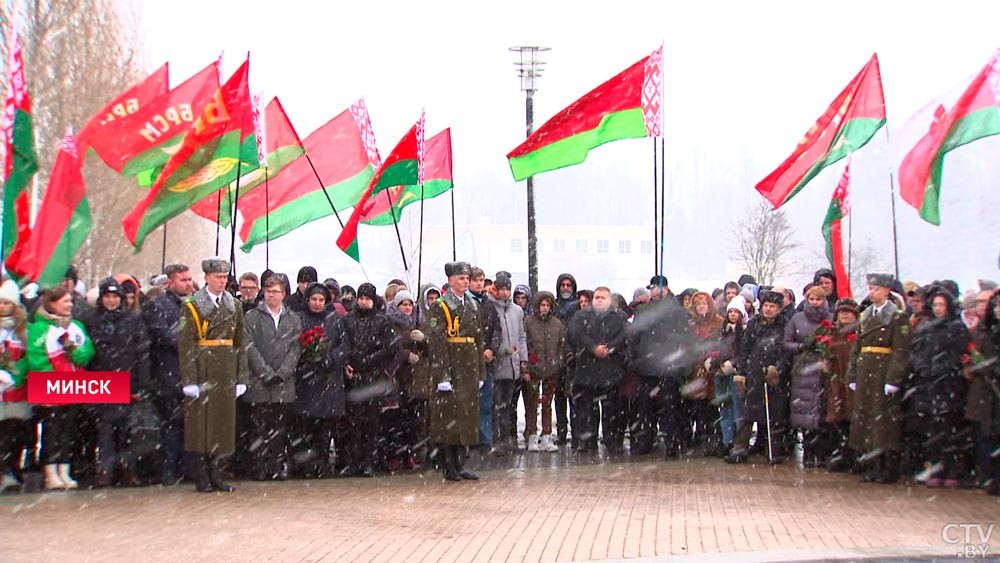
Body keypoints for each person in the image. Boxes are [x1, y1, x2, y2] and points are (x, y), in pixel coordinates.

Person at [178, 257, 250, 493]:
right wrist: (189, 380)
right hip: (203, 367)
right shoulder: (192, 306)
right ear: (206, 278)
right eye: (218, 277)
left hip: (226, 370)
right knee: (201, 426)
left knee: (222, 426)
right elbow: (187, 344)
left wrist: (242, 377)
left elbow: (241, 343)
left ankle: (217, 474)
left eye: (224, 277)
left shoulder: (234, 305)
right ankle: (201, 476)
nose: (222, 281)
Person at [85, 277, 152, 487]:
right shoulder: (93, 320)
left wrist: (142, 383)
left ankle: (127, 470)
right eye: (108, 296)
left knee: (127, 431)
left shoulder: (132, 320)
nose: (112, 301)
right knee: (105, 430)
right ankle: (104, 470)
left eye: (115, 297)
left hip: (127, 380)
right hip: (102, 382)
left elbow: (142, 353)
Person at [27, 288, 96, 489]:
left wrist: (72, 349)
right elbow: (37, 359)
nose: (69, 305)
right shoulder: (40, 329)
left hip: (74, 387)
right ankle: (50, 471)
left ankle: (64, 470)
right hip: (52, 388)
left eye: (70, 301)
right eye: (65, 301)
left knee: (69, 431)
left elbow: (86, 353)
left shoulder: (77, 326)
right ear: (52, 304)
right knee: (52, 431)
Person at [847, 273, 911, 484]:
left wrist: (893, 379)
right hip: (866, 369)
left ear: (886, 291)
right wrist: (853, 373)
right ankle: (871, 464)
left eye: (876, 288)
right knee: (866, 418)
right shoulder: (865, 315)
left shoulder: (896, 316)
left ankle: (886, 466)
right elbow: (857, 348)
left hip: (883, 369)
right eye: (871, 288)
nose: (872, 292)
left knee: (883, 420)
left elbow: (900, 351)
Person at [425, 261, 484, 481]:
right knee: (449, 419)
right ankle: (449, 465)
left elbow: (478, 340)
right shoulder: (440, 306)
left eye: (467, 278)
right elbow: (437, 342)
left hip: (468, 367)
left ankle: (461, 464)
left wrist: (481, 372)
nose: (466, 281)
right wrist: (443, 376)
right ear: (450, 281)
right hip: (451, 366)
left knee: (466, 418)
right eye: (461, 278)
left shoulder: (472, 304)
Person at [908, 287, 970, 488]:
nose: (938, 308)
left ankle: (954, 469)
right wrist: (922, 367)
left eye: (942, 305)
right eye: (935, 305)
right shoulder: (927, 328)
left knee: (950, 428)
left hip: (948, 384)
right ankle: (936, 467)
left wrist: (942, 368)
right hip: (928, 385)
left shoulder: (957, 328)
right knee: (932, 429)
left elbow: (958, 354)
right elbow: (917, 352)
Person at [337, 283, 400, 477]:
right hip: (354, 376)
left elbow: (392, 348)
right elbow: (342, 343)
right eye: (361, 298)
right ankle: (354, 461)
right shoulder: (347, 319)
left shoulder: (382, 321)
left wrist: (374, 362)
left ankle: (369, 462)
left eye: (367, 299)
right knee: (353, 423)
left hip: (374, 376)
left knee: (372, 423)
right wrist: (347, 361)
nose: (364, 302)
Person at [243, 275, 303, 481]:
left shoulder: (293, 319)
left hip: (283, 383)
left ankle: (277, 465)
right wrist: (265, 372)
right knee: (259, 428)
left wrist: (283, 372)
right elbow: (249, 348)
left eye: (276, 291)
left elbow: (296, 349)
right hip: (259, 382)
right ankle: (259, 466)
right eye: (268, 291)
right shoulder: (252, 317)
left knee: (279, 429)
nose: (271, 295)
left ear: (283, 294)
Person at [627, 275, 693, 457]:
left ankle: (672, 443)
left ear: (665, 289)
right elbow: (634, 338)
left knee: (670, 408)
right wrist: (633, 360)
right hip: (646, 368)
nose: (653, 291)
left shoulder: (676, 310)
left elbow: (684, 338)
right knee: (644, 409)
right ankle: (645, 441)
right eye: (651, 288)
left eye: (656, 288)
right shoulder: (643, 311)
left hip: (667, 368)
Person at [142, 263, 195, 486]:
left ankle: (187, 468)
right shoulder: (157, 305)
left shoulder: (193, 304)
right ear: (170, 282)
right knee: (170, 425)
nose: (188, 284)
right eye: (183, 280)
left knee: (188, 425)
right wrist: (191, 341)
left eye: (189, 279)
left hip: (192, 375)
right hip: (167, 374)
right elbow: (162, 335)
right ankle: (168, 470)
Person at [725, 290, 791, 465]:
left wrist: (778, 369)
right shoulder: (754, 325)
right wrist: (741, 372)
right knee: (749, 414)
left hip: (773, 376)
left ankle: (772, 448)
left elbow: (786, 352)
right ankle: (740, 448)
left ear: (778, 309)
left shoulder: (784, 326)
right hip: (754, 373)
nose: (768, 309)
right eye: (766, 306)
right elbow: (744, 349)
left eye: (772, 306)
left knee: (773, 415)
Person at [291, 282, 346, 478]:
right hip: (306, 379)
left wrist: (330, 358)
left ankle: (322, 465)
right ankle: (305, 466)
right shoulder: (299, 318)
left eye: (321, 300)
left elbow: (344, 344)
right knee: (305, 426)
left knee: (325, 428)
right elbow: (294, 344)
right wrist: (308, 358)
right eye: (313, 299)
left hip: (329, 379)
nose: (317, 303)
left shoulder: (334, 319)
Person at [569, 287, 628, 454]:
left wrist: (609, 348)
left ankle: (612, 441)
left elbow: (624, 337)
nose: (599, 300)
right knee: (587, 410)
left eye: (603, 297)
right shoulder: (581, 316)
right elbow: (576, 334)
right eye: (596, 297)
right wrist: (593, 348)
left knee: (611, 410)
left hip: (611, 370)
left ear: (610, 300)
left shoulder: (619, 317)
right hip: (588, 369)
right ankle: (588, 440)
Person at [785, 285, 834, 468]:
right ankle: (808, 452)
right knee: (804, 412)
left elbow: (836, 338)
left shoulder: (830, 318)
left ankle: (821, 453)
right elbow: (787, 342)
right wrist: (802, 347)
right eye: (811, 299)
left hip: (822, 367)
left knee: (821, 411)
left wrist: (825, 347)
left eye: (818, 299)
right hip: (803, 368)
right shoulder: (797, 318)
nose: (814, 303)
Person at [385, 290, 430, 469]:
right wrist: (404, 354)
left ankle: (410, 453)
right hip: (397, 378)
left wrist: (422, 340)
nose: (408, 308)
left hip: (415, 378)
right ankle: (395, 454)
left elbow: (429, 350)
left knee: (413, 420)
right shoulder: (389, 324)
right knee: (395, 421)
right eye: (404, 304)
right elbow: (389, 348)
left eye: (410, 304)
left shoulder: (419, 323)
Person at [486, 275, 528, 455]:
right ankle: (495, 440)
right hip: (497, 363)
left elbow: (521, 336)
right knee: (495, 404)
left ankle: (507, 438)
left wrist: (522, 359)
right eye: (501, 288)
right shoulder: (489, 308)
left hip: (512, 365)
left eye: (507, 289)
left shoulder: (517, 311)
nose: (504, 292)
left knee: (508, 405)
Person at [967, 289, 1000, 496]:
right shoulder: (985, 330)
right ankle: (992, 477)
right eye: (996, 306)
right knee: (989, 435)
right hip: (988, 392)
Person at [523, 290, 565, 452]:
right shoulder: (528, 322)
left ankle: (546, 435)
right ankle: (532, 435)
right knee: (532, 403)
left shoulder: (557, 324)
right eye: (542, 305)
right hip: (534, 368)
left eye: (548, 305)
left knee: (547, 404)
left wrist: (558, 362)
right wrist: (528, 364)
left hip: (551, 369)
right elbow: (525, 343)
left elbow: (561, 345)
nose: (545, 308)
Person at [0, 280, 29, 492]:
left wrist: (16, 374)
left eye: (6, 303)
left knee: (15, 432)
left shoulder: (23, 331)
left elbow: (29, 357)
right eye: (0, 303)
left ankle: (12, 469)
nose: (3, 307)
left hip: (17, 390)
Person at [825, 298, 860, 473]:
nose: (845, 314)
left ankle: (854, 455)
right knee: (838, 419)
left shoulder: (860, 334)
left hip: (854, 382)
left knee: (853, 419)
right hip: (836, 382)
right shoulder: (831, 334)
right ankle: (842, 453)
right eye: (841, 311)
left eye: (849, 312)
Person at [467, 267, 500, 451]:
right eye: (475, 280)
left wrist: (491, 349)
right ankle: (470, 438)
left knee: (486, 403)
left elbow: (497, 330)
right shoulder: (464, 303)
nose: (479, 283)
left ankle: (484, 439)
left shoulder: (489, 304)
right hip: (469, 361)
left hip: (487, 363)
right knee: (469, 403)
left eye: (482, 280)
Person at [712, 295, 746, 457]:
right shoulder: (721, 332)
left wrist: (733, 364)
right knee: (724, 408)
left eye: (736, 312)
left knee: (737, 408)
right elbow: (714, 349)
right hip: (720, 373)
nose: (732, 314)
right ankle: (727, 440)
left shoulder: (744, 333)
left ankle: (738, 443)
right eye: (730, 311)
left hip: (735, 374)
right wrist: (712, 360)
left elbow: (743, 353)